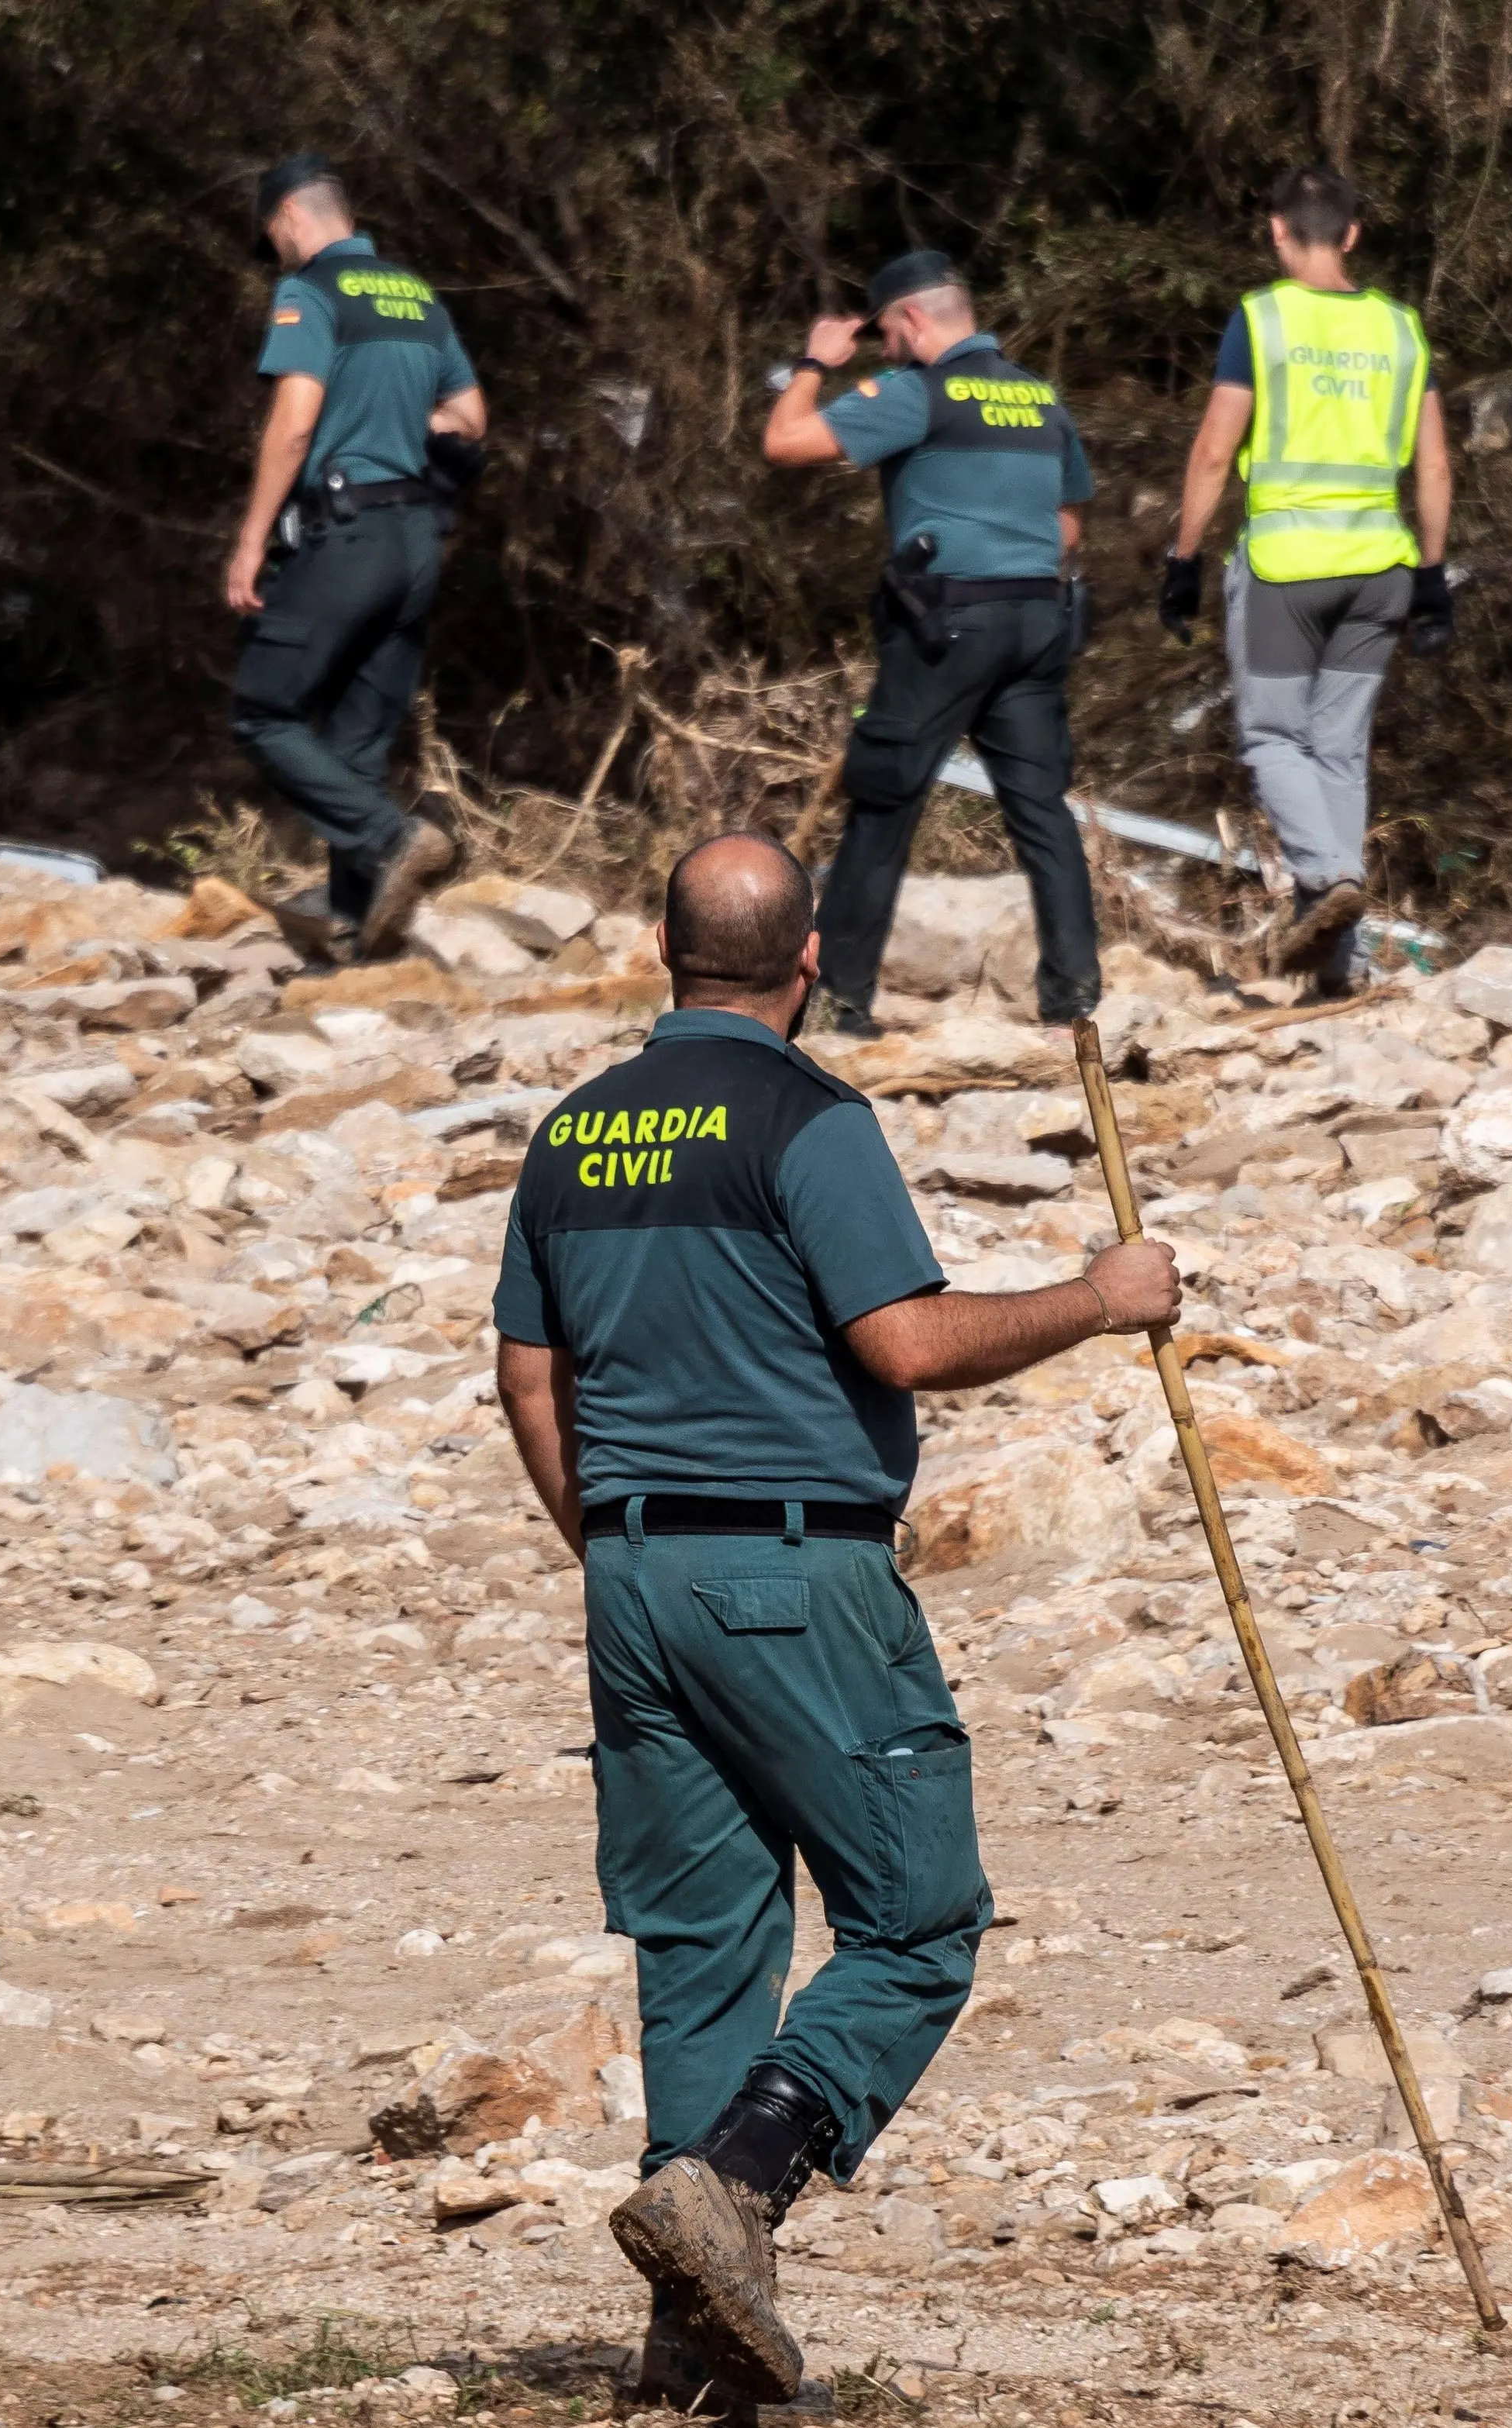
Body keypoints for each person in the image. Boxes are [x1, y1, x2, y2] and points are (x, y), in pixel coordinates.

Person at [492, 833, 1181, 2416]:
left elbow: (533, 1385)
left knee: (704, 1942)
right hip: (792, 1573)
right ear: (810, 964)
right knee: (919, 1917)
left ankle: (693, 2349)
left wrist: (610, 1549)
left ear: (665, 954)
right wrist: (1101, 1296)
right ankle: (736, 2182)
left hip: (632, 1575)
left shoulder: (575, 1135)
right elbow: (905, 1342)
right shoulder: (808, 1118)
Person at [759, 251, 1103, 1039]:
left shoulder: (919, 393)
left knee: (884, 802)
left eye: (885, 332)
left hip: (948, 625)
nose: (884, 349)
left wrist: (815, 362)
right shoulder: (1039, 399)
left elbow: (785, 442)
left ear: (913, 318)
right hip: (1038, 619)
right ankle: (1074, 1000)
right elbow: (1073, 512)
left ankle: (840, 1002)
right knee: (1042, 812)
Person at [1160, 164, 1455, 1002]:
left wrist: (1183, 558)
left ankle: (1329, 880)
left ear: (1278, 231)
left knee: (1271, 739)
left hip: (1288, 564)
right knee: (1338, 747)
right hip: (1382, 568)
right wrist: (1433, 575)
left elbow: (1216, 449)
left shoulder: (1262, 320)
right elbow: (1435, 462)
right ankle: (1344, 963)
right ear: (1354, 234)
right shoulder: (1401, 330)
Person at [223, 153, 486, 965]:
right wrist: (408, 434)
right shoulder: (415, 296)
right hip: (417, 540)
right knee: (356, 743)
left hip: (350, 532)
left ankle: (393, 836)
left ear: (292, 219)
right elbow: (472, 416)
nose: (277, 255)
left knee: (263, 709)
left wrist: (251, 539)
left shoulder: (309, 291)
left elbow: (293, 424)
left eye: (274, 239)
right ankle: (358, 926)